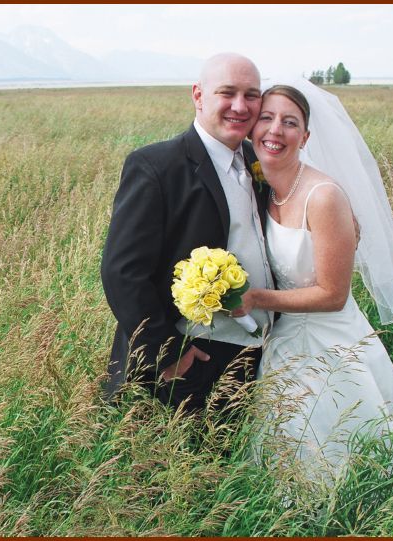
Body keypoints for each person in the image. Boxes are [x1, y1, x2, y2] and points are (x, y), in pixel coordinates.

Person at [232, 82, 393, 481]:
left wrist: (256, 297)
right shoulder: (262, 186)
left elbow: (333, 294)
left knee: (349, 446)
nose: (275, 130)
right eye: (267, 118)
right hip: (285, 340)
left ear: (306, 136)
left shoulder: (323, 195)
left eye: (290, 122)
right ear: (251, 128)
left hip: (332, 342)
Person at [100, 53, 274, 411]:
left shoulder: (258, 159)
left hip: (256, 354)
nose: (240, 107)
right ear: (198, 95)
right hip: (188, 358)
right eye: (227, 93)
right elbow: (123, 272)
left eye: (251, 95)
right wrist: (165, 354)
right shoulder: (155, 166)